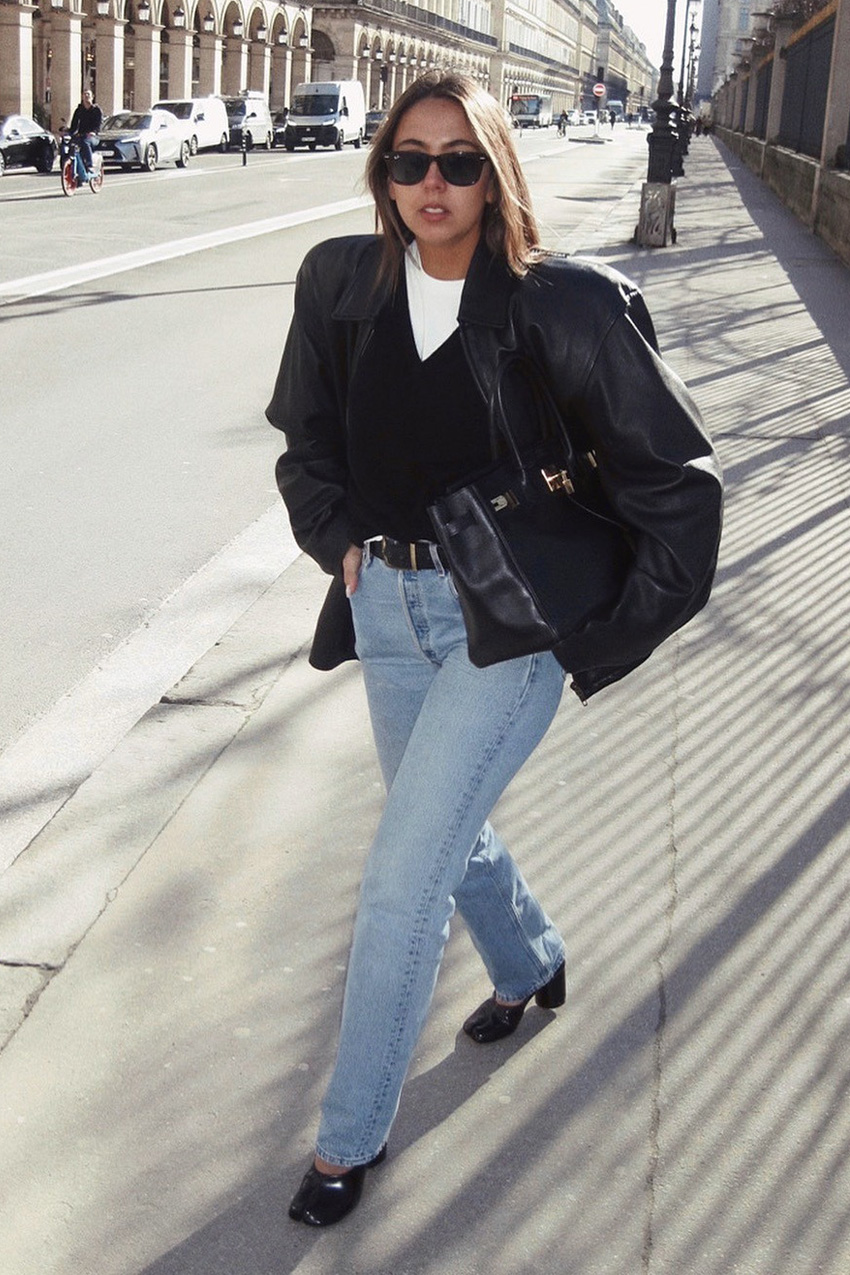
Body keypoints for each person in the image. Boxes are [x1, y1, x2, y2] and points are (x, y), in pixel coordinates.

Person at [266, 70, 722, 1228]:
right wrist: (338, 545)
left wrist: (593, 641)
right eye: (408, 160)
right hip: (387, 612)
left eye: (458, 161)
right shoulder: (340, 285)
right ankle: (530, 965)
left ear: (495, 170)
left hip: (506, 628)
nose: (432, 182)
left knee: (399, 881)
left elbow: (678, 487)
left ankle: (343, 1145)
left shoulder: (561, 306)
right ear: (383, 173)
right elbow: (305, 440)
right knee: (444, 833)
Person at [69, 88, 102, 175]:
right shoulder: (79, 110)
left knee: (85, 142)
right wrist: (69, 132)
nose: (86, 96)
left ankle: (89, 164)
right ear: (82, 96)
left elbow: (98, 125)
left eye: (88, 94)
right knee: (70, 143)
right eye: (85, 94)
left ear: (92, 97)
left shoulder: (96, 110)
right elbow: (74, 124)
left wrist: (93, 132)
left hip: (93, 137)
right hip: (81, 135)